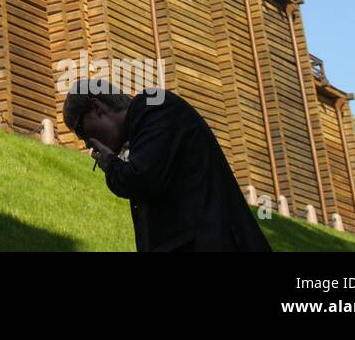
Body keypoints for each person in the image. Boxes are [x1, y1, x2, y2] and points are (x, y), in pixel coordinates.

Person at [64, 79, 271, 251]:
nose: (86, 143)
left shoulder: (153, 108)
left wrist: (110, 165)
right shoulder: (145, 125)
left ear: (97, 108)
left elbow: (141, 178)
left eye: (81, 131)